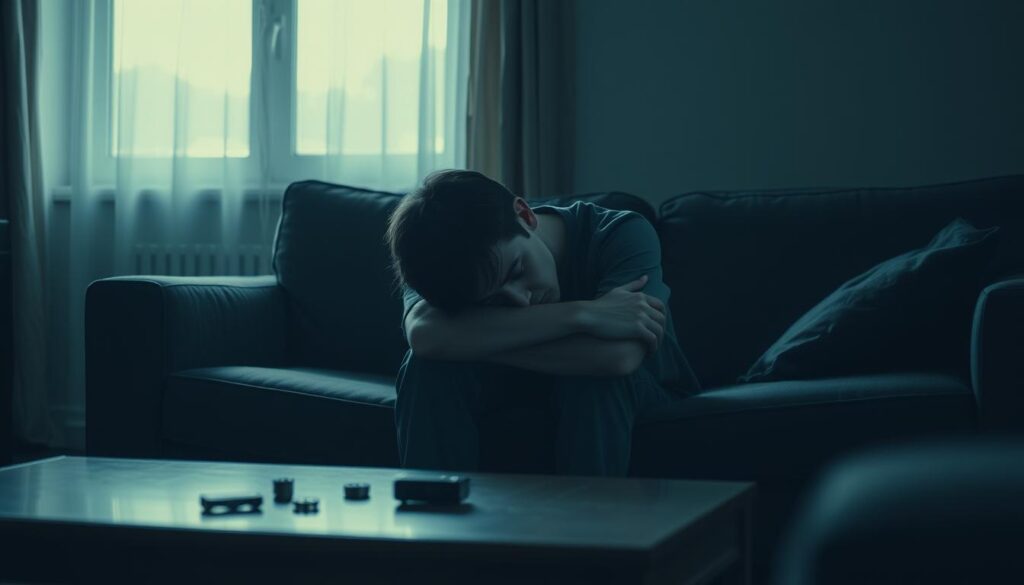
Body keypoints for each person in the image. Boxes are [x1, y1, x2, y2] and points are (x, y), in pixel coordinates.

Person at [385, 169, 701, 476]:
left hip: (641, 391)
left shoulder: (620, 232)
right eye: (490, 303)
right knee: (426, 368)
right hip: (515, 383)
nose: (520, 301)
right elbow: (425, 336)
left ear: (525, 215)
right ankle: (437, 519)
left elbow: (617, 358)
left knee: (593, 379)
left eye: (517, 271)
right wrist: (583, 314)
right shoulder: (437, 259)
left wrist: (466, 341)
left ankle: (585, 529)